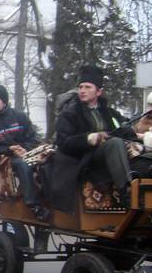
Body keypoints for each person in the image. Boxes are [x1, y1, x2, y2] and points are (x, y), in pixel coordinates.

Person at [56, 65, 137, 206]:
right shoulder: (69, 113)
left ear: (99, 92)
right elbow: (63, 143)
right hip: (84, 159)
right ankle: (127, 192)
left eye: (88, 87)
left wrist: (140, 135)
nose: (82, 91)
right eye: (81, 87)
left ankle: (142, 185)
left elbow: (123, 129)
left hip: (108, 157)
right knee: (115, 143)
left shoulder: (108, 112)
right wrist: (88, 139)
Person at [0, 84, 51, 222]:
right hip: (5, 159)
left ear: (4, 101)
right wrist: (10, 150)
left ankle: (51, 199)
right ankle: (34, 205)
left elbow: (32, 137)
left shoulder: (19, 116)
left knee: (49, 163)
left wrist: (25, 149)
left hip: (29, 153)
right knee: (24, 165)